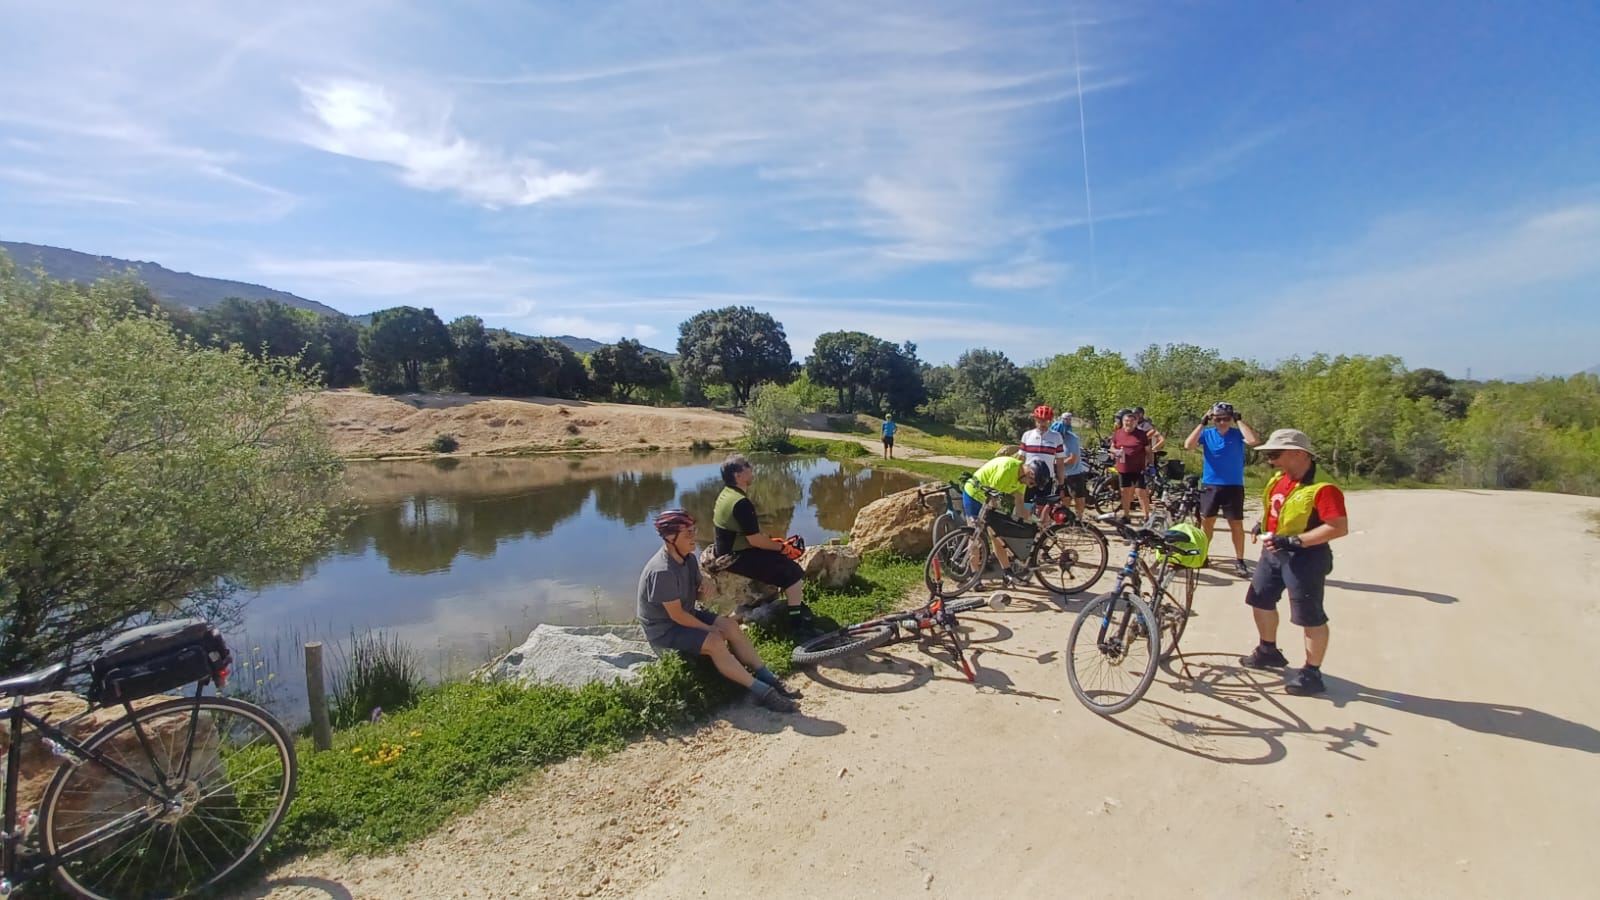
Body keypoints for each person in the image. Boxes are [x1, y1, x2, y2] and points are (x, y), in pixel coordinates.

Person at [638, 509, 800, 713]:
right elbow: (676, 615)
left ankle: (767, 676)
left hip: (687, 614)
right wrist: (708, 629)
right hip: (664, 630)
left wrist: (705, 588)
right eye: (688, 533)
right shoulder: (663, 571)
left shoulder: (687, 559)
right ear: (671, 538)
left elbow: (698, 597)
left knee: (730, 626)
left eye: (694, 530)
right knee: (714, 641)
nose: (694, 536)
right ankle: (762, 692)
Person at [1238, 429, 1349, 696]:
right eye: (1269, 454)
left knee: (1309, 615)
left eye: (1275, 454)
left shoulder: (1323, 488)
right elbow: (1279, 508)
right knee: (1259, 599)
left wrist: (1296, 541)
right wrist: (1262, 524)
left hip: (1306, 557)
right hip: (1273, 552)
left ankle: (1312, 672)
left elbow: (1338, 527)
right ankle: (1268, 650)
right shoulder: (1281, 478)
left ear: (1299, 454)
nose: (1270, 460)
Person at [712, 454, 817, 638]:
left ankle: (793, 605)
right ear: (738, 475)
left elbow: (748, 536)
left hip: (728, 551)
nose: (751, 467)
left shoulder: (726, 494)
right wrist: (783, 548)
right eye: (746, 465)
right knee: (793, 573)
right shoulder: (741, 503)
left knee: (777, 557)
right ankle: (797, 625)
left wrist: (773, 543)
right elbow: (755, 540)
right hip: (735, 558)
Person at [1182, 401, 1260, 577]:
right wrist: (1202, 423)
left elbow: (1253, 440)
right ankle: (1203, 555)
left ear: (1231, 419)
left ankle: (1239, 560)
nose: (1222, 422)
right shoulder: (1207, 433)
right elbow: (1188, 445)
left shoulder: (1237, 434)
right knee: (1207, 522)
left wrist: (1239, 420)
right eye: (1218, 419)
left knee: (1236, 524)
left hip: (1233, 485)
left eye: (1226, 419)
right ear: (1213, 419)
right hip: (1211, 484)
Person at [962, 455, 1048, 576]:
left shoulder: (1021, 479)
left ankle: (1007, 572)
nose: (1031, 486)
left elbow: (1020, 503)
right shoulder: (1007, 470)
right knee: (975, 535)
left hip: (987, 499)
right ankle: (974, 574)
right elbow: (992, 496)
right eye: (1032, 483)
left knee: (997, 537)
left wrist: (1025, 526)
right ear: (1029, 473)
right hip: (974, 495)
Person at [1015, 404, 1065, 518]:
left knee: (1044, 511)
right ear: (1035, 419)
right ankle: (1026, 524)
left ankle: (1043, 528)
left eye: (1046, 421)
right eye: (1040, 420)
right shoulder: (1027, 435)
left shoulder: (1056, 437)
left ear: (1050, 421)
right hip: (1029, 478)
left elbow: (1060, 463)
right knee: (1026, 507)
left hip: (1046, 480)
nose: (1042, 424)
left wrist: (1061, 485)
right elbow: (1019, 458)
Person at [1110, 410, 1154, 521]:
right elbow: (1112, 447)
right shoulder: (1118, 433)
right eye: (1126, 421)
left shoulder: (1141, 434)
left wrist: (1151, 464)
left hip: (1138, 468)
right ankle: (1126, 515)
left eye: (1131, 421)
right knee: (1125, 492)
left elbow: (1148, 451)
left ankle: (1146, 516)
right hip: (1123, 468)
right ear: (1123, 421)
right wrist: (1115, 451)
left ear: (1135, 423)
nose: (1128, 423)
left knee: (1140, 492)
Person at [1050, 411, 1088, 519]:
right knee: (1064, 498)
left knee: (1078, 499)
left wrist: (1058, 463)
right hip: (1062, 474)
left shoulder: (1072, 439)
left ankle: (1079, 518)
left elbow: (1073, 458)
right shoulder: (1054, 440)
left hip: (1074, 473)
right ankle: (1066, 519)